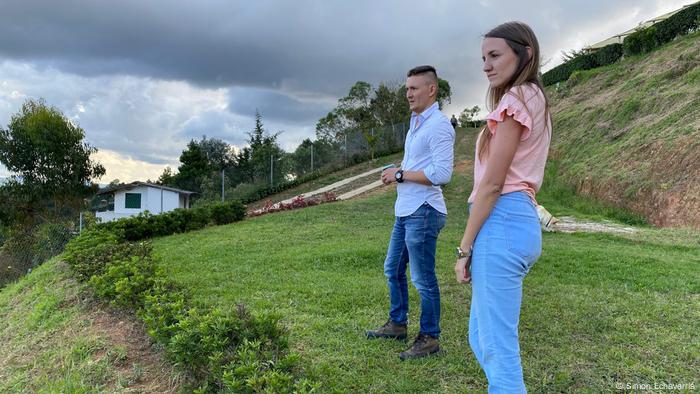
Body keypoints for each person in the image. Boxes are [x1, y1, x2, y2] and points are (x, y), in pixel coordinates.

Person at [454, 21, 551, 392]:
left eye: (495, 55)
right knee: (482, 338)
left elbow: (492, 185)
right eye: (483, 58)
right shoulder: (532, 99)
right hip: (514, 222)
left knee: (498, 350)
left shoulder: (518, 100)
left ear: (524, 53)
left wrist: (464, 248)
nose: (486, 66)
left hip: (503, 221)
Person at [366, 65, 455, 360]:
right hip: (406, 210)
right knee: (392, 269)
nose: (408, 94)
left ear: (432, 90)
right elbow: (415, 162)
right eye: (407, 89)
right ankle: (397, 324)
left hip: (425, 210)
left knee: (422, 277)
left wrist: (401, 175)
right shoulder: (415, 122)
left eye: (414, 88)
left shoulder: (439, 125)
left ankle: (429, 337)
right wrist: (395, 171)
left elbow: (442, 173)